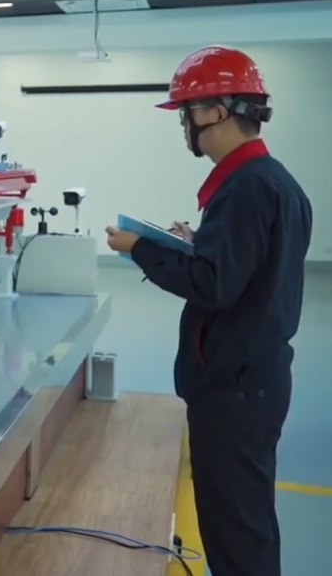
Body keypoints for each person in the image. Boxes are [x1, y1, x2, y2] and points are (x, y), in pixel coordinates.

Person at [104, 45, 311, 576]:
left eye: (186, 113)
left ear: (217, 112)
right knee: (247, 520)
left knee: (235, 529)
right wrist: (199, 243)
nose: (184, 125)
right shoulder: (275, 181)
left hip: (234, 388)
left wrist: (140, 248)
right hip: (255, 376)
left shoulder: (245, 187)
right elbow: (252, 268)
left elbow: (214, 285)